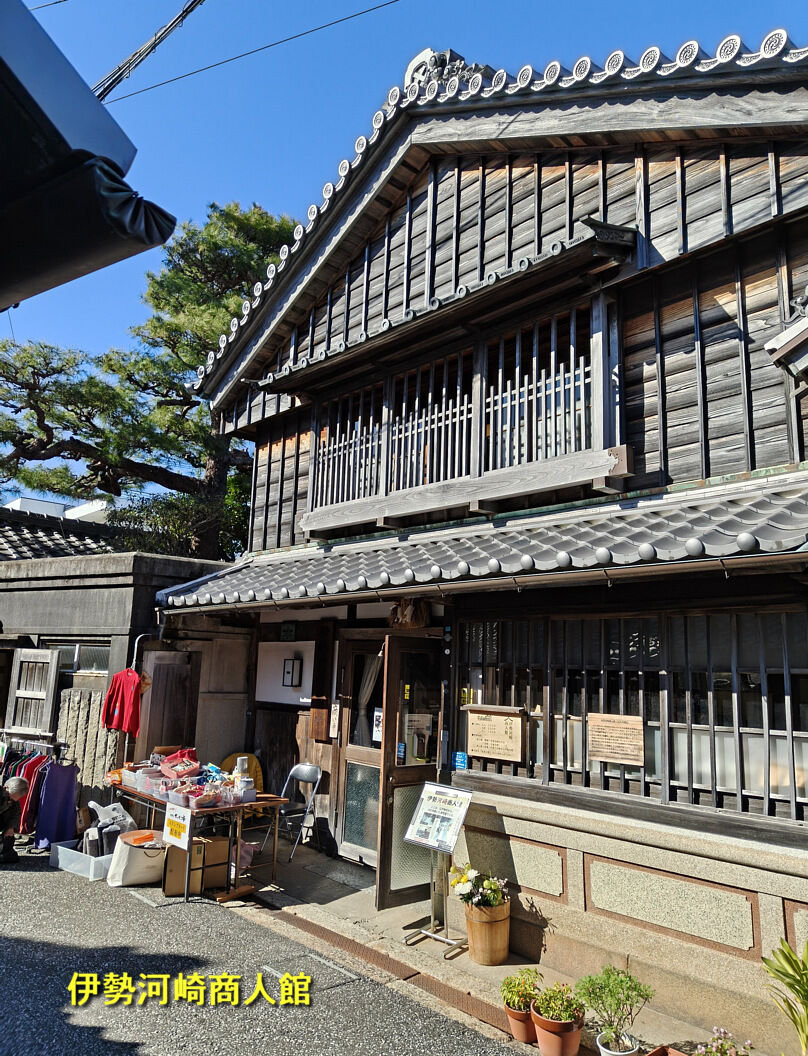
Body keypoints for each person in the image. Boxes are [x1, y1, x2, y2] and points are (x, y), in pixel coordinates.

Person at [0, 777, 29, 864]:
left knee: (12, 856)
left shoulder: (13, 799)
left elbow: (15, 814)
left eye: (14, 799)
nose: (10, 801)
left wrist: (10, 827)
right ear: (5, 788)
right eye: (9, 797)